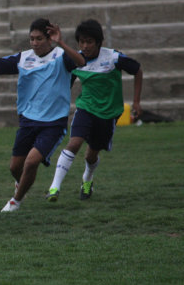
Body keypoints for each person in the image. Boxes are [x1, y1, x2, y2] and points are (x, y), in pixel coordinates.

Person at [0, 18, 85, 212]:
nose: (34, 43)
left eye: (39, 38)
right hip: (28, 120)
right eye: (31, 39)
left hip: (53, 123)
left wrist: (62, 43)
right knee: (15, 168)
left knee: (31, 162)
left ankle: (15, 201)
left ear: (49, 38)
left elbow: (81, 61)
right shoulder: (24, 58)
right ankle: (22, 184)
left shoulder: (62, 56)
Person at [46, 19, 142, 201]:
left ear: (98, 42)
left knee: (91, 155)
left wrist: (136, 102)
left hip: (108, 114)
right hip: (85, 109)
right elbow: (66, 85)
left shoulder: (113, 58)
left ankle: (87, 179)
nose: (85, 46)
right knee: (73, 144)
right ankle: (54, 188)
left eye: (89, 42)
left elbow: (137, 70)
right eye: (82, 42)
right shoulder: (76, 60)